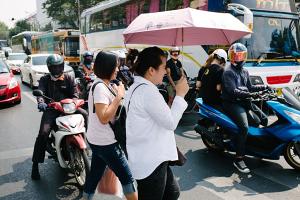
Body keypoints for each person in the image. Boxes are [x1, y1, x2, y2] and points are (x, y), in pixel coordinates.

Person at [125, 46, 189, 200]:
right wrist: (180, 95)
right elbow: (171, 123)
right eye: (163, 67)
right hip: (151, 162)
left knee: (172, 193)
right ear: (151, 70)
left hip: (152, 158)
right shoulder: (148, 92)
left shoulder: (136, 87)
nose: (166, 71)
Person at [83, 51, 137, 200]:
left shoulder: (105, 85)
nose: (118, 70)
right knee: (127, 177)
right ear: (108, 68)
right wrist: (119, 96)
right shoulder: (100, 87)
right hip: (106, 142)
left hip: (97, 140)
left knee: (94, 174)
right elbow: (104, 117)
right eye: (116, 67)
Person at [31, 54, 88, 180]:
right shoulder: (45, 80)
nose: (57, 70)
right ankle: (35, 165)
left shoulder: (68, 77)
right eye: (54, 68)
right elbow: (40, 93)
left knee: (85, 114)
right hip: (51, 110)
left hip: (69, 108)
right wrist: (41, 102)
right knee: (43, 134)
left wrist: (75, 101)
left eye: (59, 67)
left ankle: (89, 142)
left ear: (62, 66)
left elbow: (75, 94)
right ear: (50, 68)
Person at [221, 43, 269, 173]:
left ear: (244, 56)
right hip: (232, 103)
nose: (237, 58)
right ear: (230, 57)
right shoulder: (228, 72)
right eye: (234, 55)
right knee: (244, 127)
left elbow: (250, 87)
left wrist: (265, 87)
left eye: (240, 55)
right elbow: (232, 91)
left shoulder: (245, 71)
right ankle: (238, 158)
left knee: (263, 119)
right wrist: (249, 94)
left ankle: (255, 146)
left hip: (244, 101)